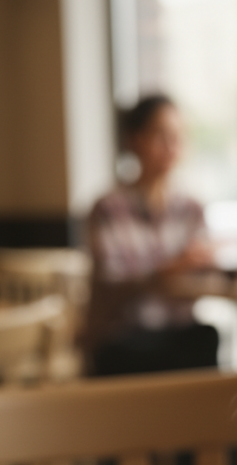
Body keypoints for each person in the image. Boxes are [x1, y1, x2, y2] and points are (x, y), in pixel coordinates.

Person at [85, 94, 218, 377]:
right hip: (123, 336)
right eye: (162, 135)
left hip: (177, 332)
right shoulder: (109, 208)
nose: (172, 147)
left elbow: (205, 272)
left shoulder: (191, 208)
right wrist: (170, 269)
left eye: (179, 137)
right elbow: (113, 281)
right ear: (135, 139)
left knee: (206, 337)